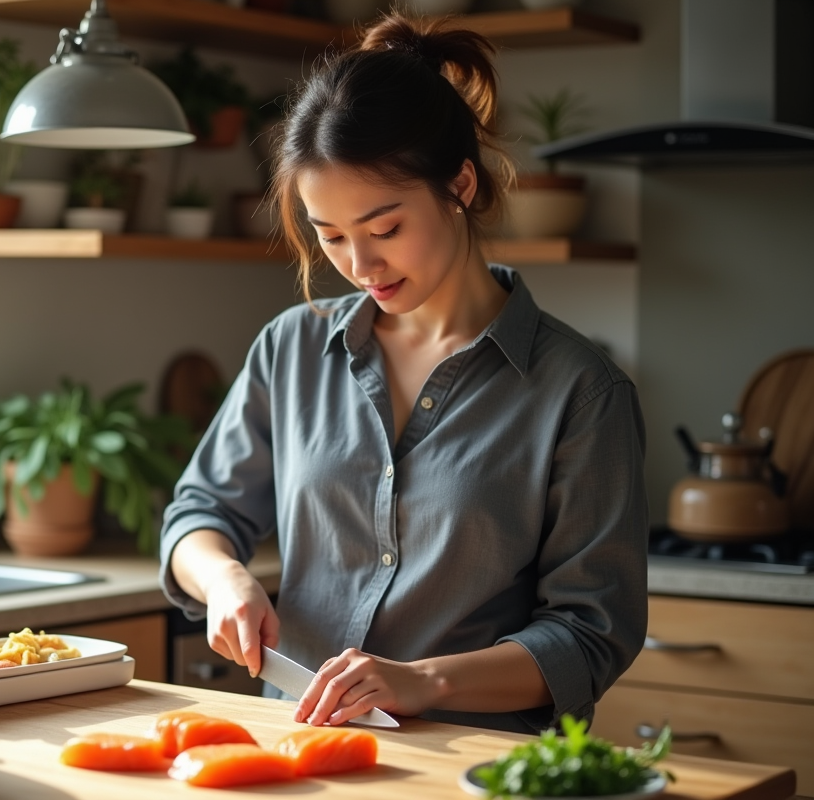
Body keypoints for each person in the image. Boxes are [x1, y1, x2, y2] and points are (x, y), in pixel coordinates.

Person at [158, 14, 648, 735]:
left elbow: (589, 636)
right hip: (301, 754)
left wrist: (420, 682)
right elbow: (198, 514)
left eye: (384, 229)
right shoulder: (292, 348)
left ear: (461, 186)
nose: (360, 265)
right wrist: (225, 578)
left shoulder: (580, 392)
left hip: (472, 769)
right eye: (331, 237)